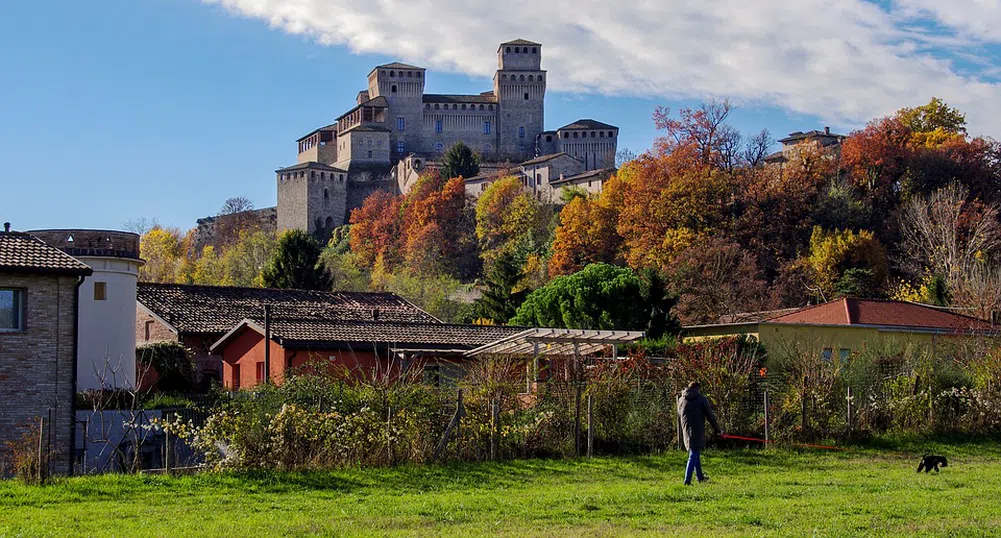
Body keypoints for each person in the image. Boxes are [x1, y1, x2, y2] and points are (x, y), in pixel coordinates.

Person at [677, 381, 723, 485]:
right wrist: (718, 430)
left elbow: (679, 414)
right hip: (697, 430)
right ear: (697, 388)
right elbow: (710, 416)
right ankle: (687, 480)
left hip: (686, 429)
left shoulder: (681, 400)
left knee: (695, 451)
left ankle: (700, 477)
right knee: (693, 454)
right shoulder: (701, 399)